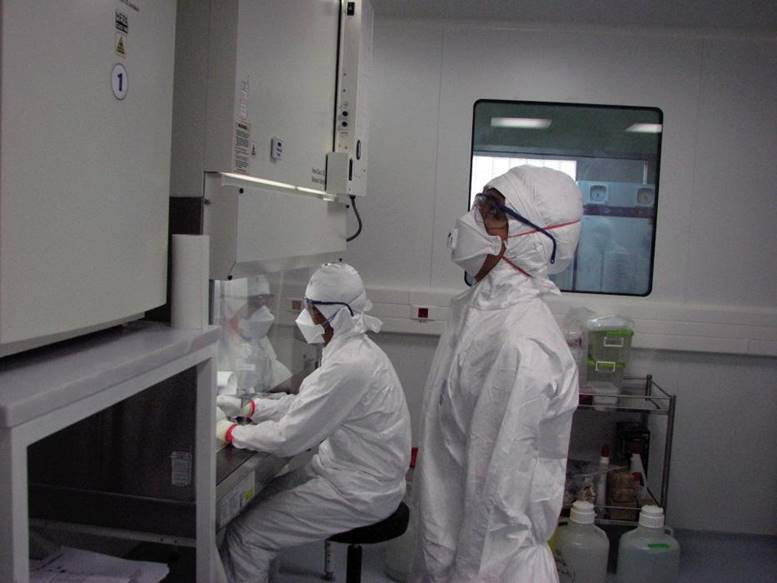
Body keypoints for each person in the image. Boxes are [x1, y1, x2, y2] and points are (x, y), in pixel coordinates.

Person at [411, 165, 583, 582]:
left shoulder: (522, 345)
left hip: (491, 568)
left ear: (531, 240)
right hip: (451, 549)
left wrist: (464, 575)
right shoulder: (478, 313)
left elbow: (496, 502)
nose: (473, 218)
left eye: (494, 212)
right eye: (481, 203)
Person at [216, 262, 412, 583]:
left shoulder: (349, 364)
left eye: (311, 308)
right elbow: (306, 404)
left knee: (246, 536)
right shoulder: (352, 349)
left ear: (330, 314)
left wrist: (231, 432)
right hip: (343, 472)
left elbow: (288, 439)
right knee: (255, 507)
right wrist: (252, 408)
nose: (305, 314)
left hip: (359, 491)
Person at [215, 275, 292, 397]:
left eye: (266, 300)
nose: (264, 312)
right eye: (255, 303)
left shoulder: (257, 339)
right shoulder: (215, 344)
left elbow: (273, 375)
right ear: (231, 306)